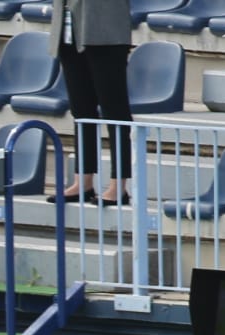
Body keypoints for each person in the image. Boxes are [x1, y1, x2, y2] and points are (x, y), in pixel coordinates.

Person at [51, 0, 134, 207]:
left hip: (105, 31)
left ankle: (118, 185)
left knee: (115, 112)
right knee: (81, 111)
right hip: (68, 27)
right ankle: (83, 180)